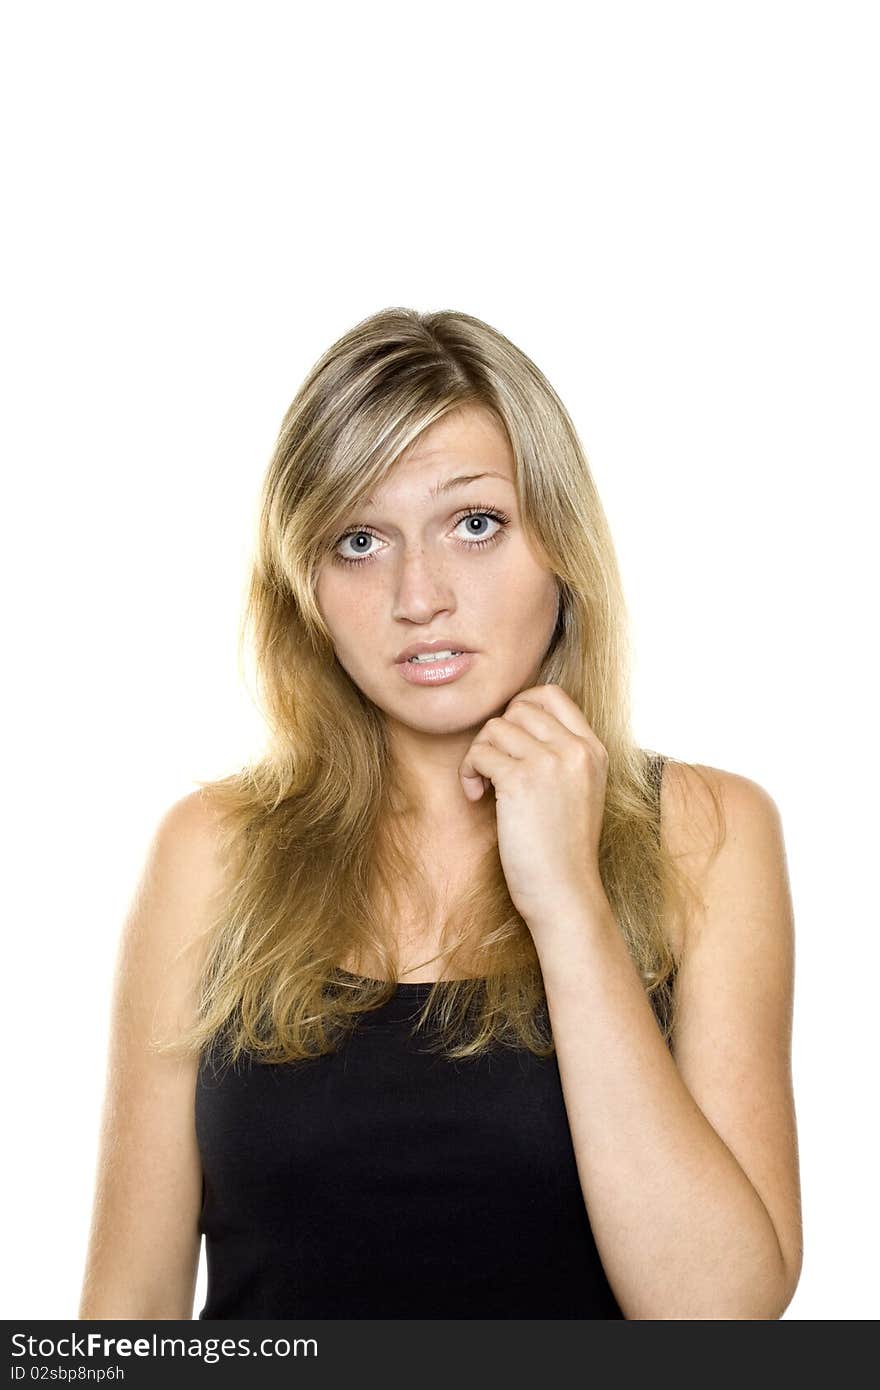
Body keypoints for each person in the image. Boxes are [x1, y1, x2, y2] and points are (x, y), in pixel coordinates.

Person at [78, 307, 803, 1320]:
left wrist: (568, 905)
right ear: (306, 584)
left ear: (559, 538)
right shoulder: (212, 849)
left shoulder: (709, 831)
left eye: (474, 523)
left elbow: (717, 1314)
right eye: (360, 540)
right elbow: (129, 1308)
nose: (419, 595)